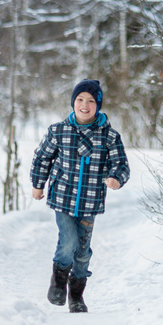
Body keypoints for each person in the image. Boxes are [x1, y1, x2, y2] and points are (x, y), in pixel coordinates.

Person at [30, 79, 130, 313]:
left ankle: (76, 295)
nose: (84, 105)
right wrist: (38, 184)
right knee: (68, 242)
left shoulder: (109, 136)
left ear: (99, 105)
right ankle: (58, 281)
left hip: (90, 201)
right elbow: (42, 158)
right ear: (73, 102)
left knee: (83, 252)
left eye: (91, 101)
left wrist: (116, 178)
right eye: (80, 100)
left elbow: (121, 163)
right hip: (62, 197)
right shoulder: (58, 131)